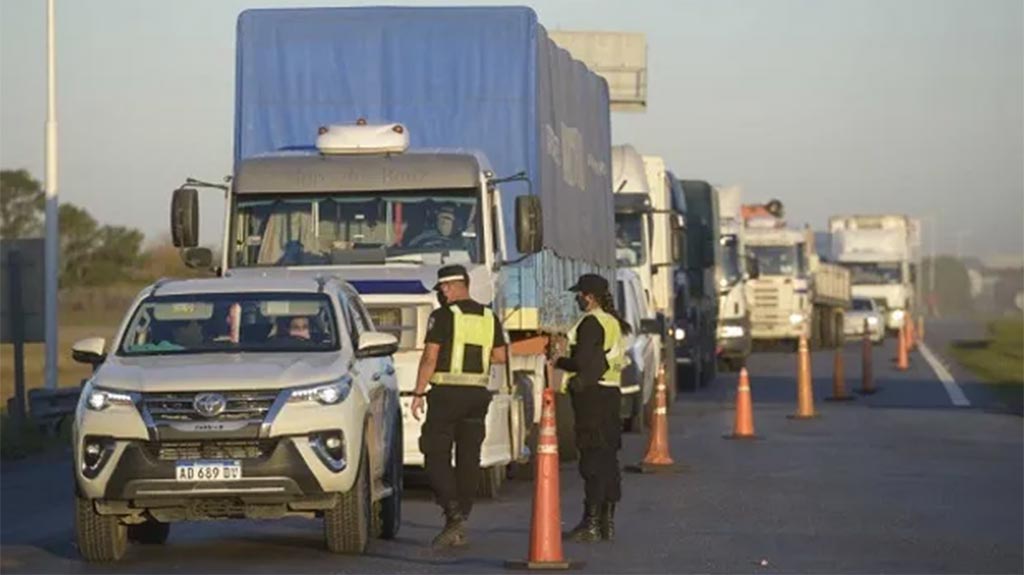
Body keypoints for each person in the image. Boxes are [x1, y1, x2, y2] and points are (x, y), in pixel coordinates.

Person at [409, 264, 507, 548]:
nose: (441, 293)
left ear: (451, 286)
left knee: (435, 452)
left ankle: (453, 515)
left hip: (446, 395)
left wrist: (418, 392)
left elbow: (430, 357)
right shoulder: (490, 316)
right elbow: (500, 356)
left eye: (442, 288)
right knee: (469, 458)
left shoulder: (442, 316)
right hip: (477, 395)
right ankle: (462, 516)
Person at [549, 273, 630, 543]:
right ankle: (607, 522)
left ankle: (591, 523)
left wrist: (559, 361)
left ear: (589, 296)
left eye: (579, 295)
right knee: (608, 458)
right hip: (611, 394)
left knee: (592, 459)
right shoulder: (613, 323)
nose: (577, 299)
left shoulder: (591, 323)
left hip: (592, 397)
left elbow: (582, 362)